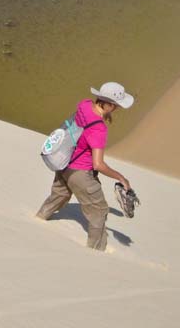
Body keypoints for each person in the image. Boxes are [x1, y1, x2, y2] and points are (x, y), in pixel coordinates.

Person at [35, 81, 134, 251]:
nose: (116, 109)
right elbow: (98, 164)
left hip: (64, 164)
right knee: (99, 210)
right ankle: (96, 251)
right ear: (109, 104)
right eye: (116, 106)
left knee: (59, 195)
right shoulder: (99, 130)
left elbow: (86, 121)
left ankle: (38, 219)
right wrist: (121, 178)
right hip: (80, 172)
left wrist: (103, 115)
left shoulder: (85, 105)